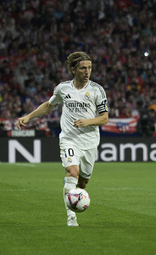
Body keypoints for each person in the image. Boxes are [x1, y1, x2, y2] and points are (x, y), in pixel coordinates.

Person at [16, 52, 108, 226]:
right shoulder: (63, 88)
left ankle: (72, 187)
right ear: (73, 70)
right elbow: (49, 105)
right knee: (72, 172)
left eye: (89, 67)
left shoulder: (97, 90)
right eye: (83, 68)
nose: (87, 71)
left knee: (83, 182)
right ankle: (71, 218)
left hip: (89, 141)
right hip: (69, 139)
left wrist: (87, 121)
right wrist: (29, 117)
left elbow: (104, 118)